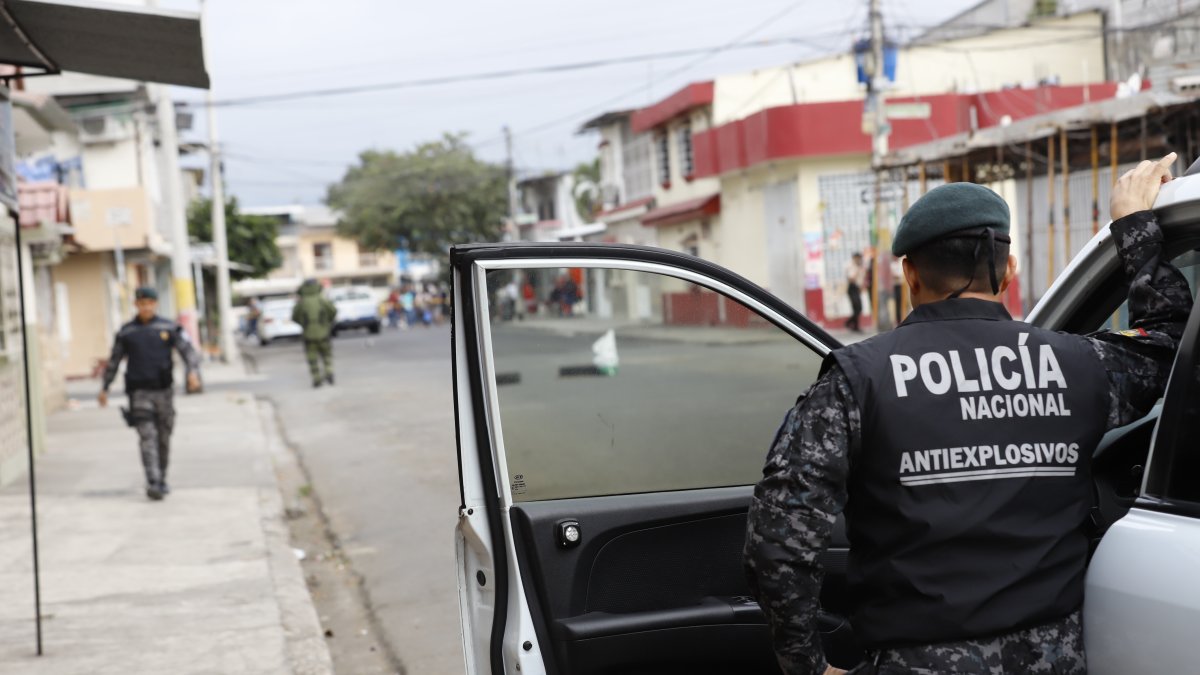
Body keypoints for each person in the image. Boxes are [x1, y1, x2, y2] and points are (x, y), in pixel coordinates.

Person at [744, 154, 1192, 675]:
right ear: (1009, 270)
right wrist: (1134, 225)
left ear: (909, 273)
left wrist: (807, 665)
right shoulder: (1078, 366)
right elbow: (1170, 342)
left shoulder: (857, 380)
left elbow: (778, 539)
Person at [98, 287, 202, 501]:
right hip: (139, 393)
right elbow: (114, 360)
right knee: (147, 437)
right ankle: (153, 481)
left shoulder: (169, 327)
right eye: (142, 303)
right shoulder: (127, 332)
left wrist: (192, 372)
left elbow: (188, 352)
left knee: (163, 437)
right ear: (136, 305)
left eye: (149, 303)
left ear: (155, 304)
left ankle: (162, 477)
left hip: (164, 391)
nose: (146, 307)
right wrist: (105, 387)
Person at [291, 279, 337, 388]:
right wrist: (327, 322)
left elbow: (294, 316)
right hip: (324, 332)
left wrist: (304, 324)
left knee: (312, 358)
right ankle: (329, 372)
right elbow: (333, 311)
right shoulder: (321, 299)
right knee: (327, 355)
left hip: (308, 334)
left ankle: (317, 379)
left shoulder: (302, 302)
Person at [844, 252, 865, 332]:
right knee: (856, 308)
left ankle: (853, 325)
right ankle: (850, 324)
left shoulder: (859, 266)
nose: (859, 260)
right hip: (852, 288)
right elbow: (851, 279)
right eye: (858, 258)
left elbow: (861, 279)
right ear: (854, 258)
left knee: (859, 308)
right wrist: (857, 269)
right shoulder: (850, 266)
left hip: (857, 288)